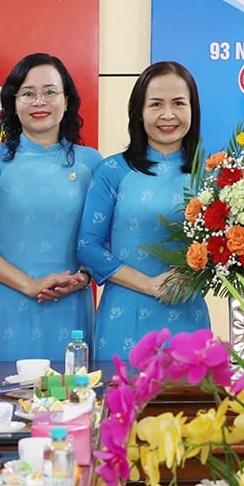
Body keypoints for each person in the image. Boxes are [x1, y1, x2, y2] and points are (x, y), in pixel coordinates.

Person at [0, 53, 103, 363]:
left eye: (50, 91)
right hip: (9, 303)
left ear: (67, 100)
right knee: (7, 400)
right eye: (28, 93)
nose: (40, 101)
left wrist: (84, 276)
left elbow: (102, 237)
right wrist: (29, 284)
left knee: (72, 402)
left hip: (72, 303)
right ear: (13, 102)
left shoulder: (92, 162)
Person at [78, 61, 209, 362]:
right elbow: (88, 247)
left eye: (178, 103)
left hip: (188, 312)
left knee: (193, 407)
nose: (168, 115)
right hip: (125, 313)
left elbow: (222, 249)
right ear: (138, 111)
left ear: (193, 109)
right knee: (123, 404)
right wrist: (149, 284)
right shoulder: (112, 170)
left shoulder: (210, 174)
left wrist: (194, 274)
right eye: (155, 104)